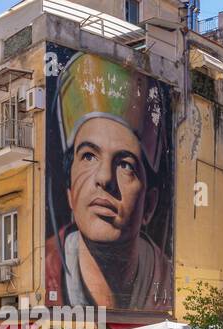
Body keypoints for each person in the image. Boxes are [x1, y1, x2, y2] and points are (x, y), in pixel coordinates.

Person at [45, 53, 173, 311]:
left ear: (149, 204)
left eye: (125, 164)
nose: (104, 178)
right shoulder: (47, 268)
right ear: (70, 190)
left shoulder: (169, 285)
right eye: (89, 156)